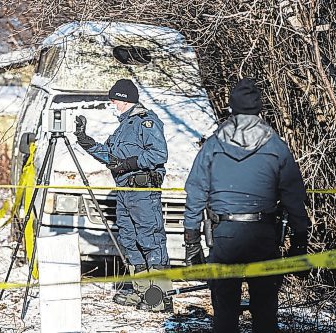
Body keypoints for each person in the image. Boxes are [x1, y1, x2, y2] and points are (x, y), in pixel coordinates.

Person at [183, 78, 310, 332]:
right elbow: (294, 195)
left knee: (224, 314)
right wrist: (299, 240)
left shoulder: (213, 145)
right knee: (265, 314)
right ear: (259, 110)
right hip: (263, 235)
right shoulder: (275, 146)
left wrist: (192, 241)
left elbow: (195, 191)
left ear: (231, 109)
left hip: (224, 236)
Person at [73, 78, 172, 312]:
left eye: (114, 99)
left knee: (151, 241)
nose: (112, 103)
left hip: (143, 193)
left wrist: (129, 163)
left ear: (125, 100)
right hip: (125, 193)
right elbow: (110, 157)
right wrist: (85, 141)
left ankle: (159, 297)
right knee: (129, 241)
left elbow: (159, 154)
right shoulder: (123, 126)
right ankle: (141, 292)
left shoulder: (146, 122)